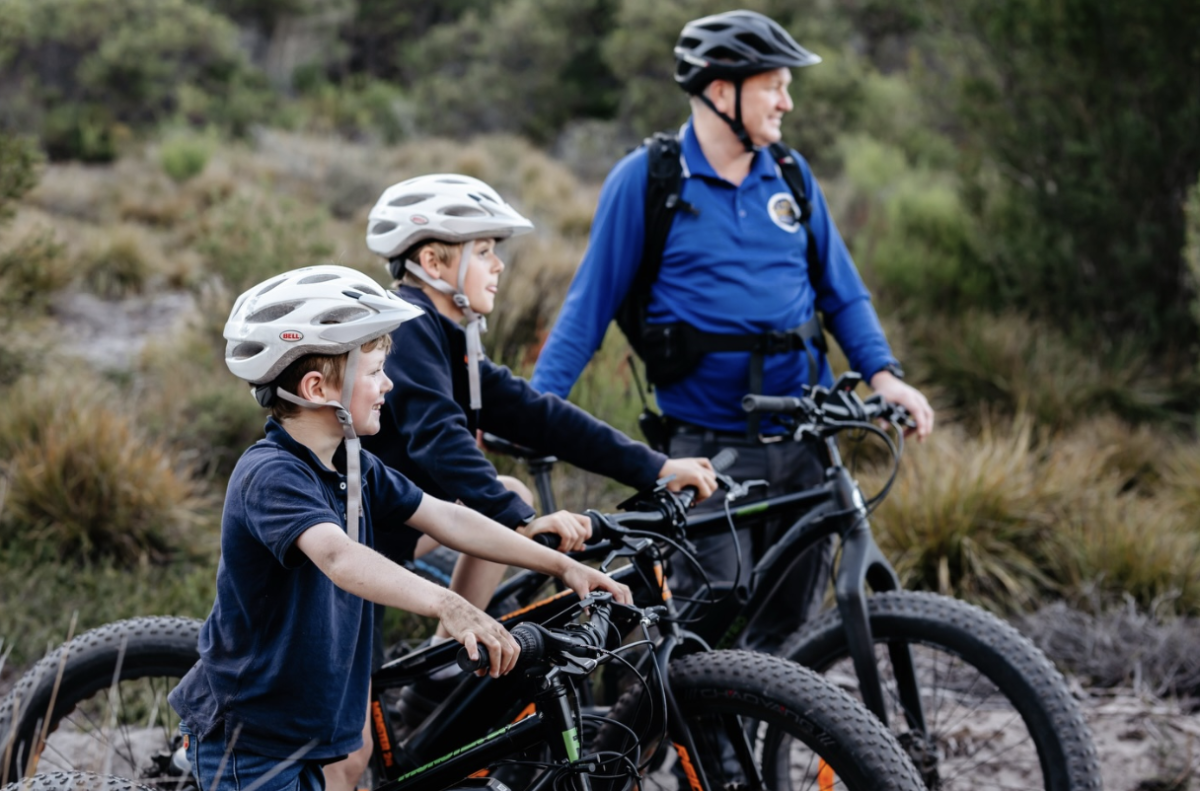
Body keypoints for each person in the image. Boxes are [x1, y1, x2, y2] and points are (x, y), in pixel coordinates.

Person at [531, 10, 935, 653]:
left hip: (806, 439)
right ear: (722, 91)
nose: (787, 100)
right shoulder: (649, 180)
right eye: (773, 84)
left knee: (786, 620)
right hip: (706, 452)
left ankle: (760, 741)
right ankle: (681, 745)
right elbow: (588, 307)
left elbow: (843, 293)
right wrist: (536, 410)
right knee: (705, 625)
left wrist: (885, 376)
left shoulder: (792, 177)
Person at [168, 265, 631, 791]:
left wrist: (564, 565)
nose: (388, 384)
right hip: (250, 741)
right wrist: (449, 605)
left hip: (311, 727)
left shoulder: (353, 464)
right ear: (317, 387)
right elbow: (340, 558)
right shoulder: (271, 474)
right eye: (374, 372)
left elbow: (447, 517)